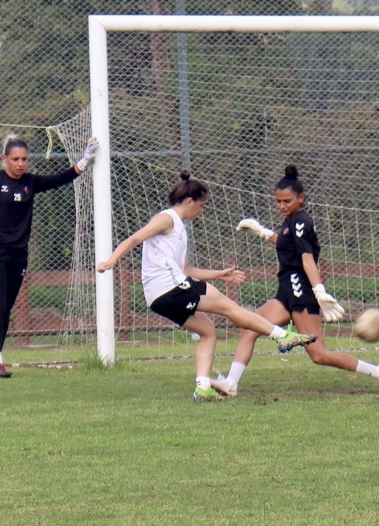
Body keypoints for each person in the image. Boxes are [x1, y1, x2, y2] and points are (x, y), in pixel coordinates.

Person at [96, 170, 318, 403]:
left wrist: (219, 275)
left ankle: (202, 388)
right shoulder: (167, 218)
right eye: (201, 206)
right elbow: (135, 239)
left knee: (208, 331)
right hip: (171, 287)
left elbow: (187, 271)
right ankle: (282, 336)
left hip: (157, 297)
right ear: (189, 201)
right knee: (230, 308)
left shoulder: (179, 229)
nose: (202, 211)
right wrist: (111, 261)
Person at [226, 165, 379, 395]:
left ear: (301, 198)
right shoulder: (290, 220)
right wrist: (262, 233)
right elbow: (286, 244)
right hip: (286, 290)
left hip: (300, 290)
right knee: (249, 329)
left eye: (287, 201)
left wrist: (319, 291)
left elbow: (306, 258)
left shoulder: (301, 221)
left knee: (319, 355)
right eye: (279, 201)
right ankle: (230, 384)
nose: (282, 206)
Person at [0, 133, 98, 379]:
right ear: (5, 159)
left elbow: (58, 179)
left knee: (5, 307)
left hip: (18, 255)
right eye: (15, 159)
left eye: (24, 159)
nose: (20, 163)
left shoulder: (30, 183)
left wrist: (83, 161)